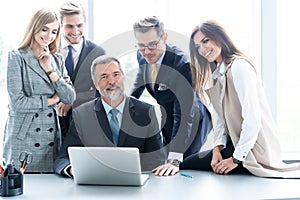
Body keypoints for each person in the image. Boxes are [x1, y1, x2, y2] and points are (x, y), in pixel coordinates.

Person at [181, 20, 300, 178]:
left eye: (205, 41)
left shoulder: (239, 67)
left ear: (219, 37)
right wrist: (217, 149)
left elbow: (253, 119)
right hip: (235, 144)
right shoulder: (219, 75)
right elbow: (222, 121)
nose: (202, 49)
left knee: (187, 164)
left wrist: (235, 159)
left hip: (252, 149)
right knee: (189, 163)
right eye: (197, 47)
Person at [54, 55, 165, 177]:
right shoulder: (82, 114)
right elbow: (63, 158)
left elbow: (157, 159)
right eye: (104, 77)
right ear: (96, 84)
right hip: (96, 184)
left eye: (116, 74)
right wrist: (72, 169)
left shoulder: (146, 112)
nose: (111, 81)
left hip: (135, 184)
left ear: (124, 77)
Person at [131, 16, 212, 176]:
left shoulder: (182, 65)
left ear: (164, 38)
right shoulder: (142, 56)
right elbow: (139, 82)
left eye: (152, 45)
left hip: (192, 119)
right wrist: (125, 105)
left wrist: (175, 158)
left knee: (182, 166)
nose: (147, 52)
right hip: (169, 115)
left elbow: (185, 114)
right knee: (164, 167)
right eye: (141, 46)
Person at [2, 8, 76, 172]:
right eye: (44, 29)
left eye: (54, 31)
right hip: (23, 136)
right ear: (34, 27)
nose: (48, 36)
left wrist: (50, 69)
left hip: (50, 137)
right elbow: (17, 103)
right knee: (19, 189)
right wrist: (52, 100)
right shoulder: (17, 57)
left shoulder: (57, 59)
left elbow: (70, 97)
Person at [58, 1, 106, 139]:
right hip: (51, 124)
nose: (75, 31)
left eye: (79, 25)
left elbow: (103, 91)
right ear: (60, 26)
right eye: (69, 26)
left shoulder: (98, 53)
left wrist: (72, 100)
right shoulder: (49, 51)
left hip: (84, 124)